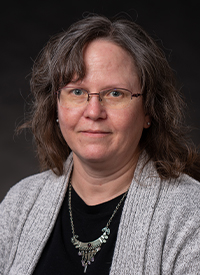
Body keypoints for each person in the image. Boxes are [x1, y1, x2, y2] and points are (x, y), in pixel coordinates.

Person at [1, 14, 200, 275]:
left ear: (149, 110)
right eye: (77, 92)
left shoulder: (190, 213)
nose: (94, 112)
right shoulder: (20, 202)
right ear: (56, 107)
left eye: (115, 93)